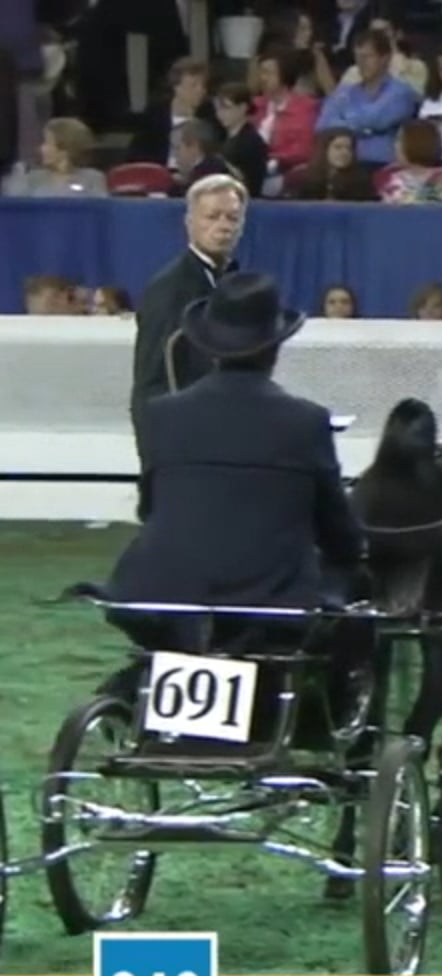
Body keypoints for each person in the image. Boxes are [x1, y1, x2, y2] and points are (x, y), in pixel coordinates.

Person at [101, 272, 369, 688]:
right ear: (275, 347)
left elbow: (149, 507)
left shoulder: (163, 415)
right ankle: (344, 711)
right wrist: (352, 551)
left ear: (209, 348)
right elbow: (338, 532)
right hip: (268, 604)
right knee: (359, 595)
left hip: (162, 596)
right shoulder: (306, 422)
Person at [130, 174, 248, 442]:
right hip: (184, 439)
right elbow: (155, 380)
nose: (223, 226)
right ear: (190, 222)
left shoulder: (229, 280)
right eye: (212, 216)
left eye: (232, 218)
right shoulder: (171, 288)